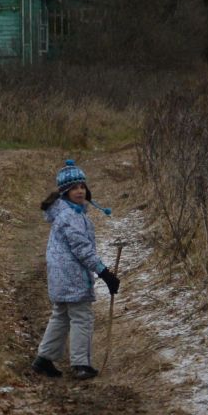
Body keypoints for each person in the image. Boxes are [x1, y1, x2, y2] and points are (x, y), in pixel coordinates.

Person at [31, 160, 121, 381]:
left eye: (82, 186)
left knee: (61, 315)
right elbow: (82, 250)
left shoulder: (68, 212)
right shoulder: (70, 217)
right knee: (81, 317)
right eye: (74, 188)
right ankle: (81, 364)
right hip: (72, 276)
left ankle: (44, 359)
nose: (80, 191)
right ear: (64, 192)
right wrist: (104, 272)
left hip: (60, 275)